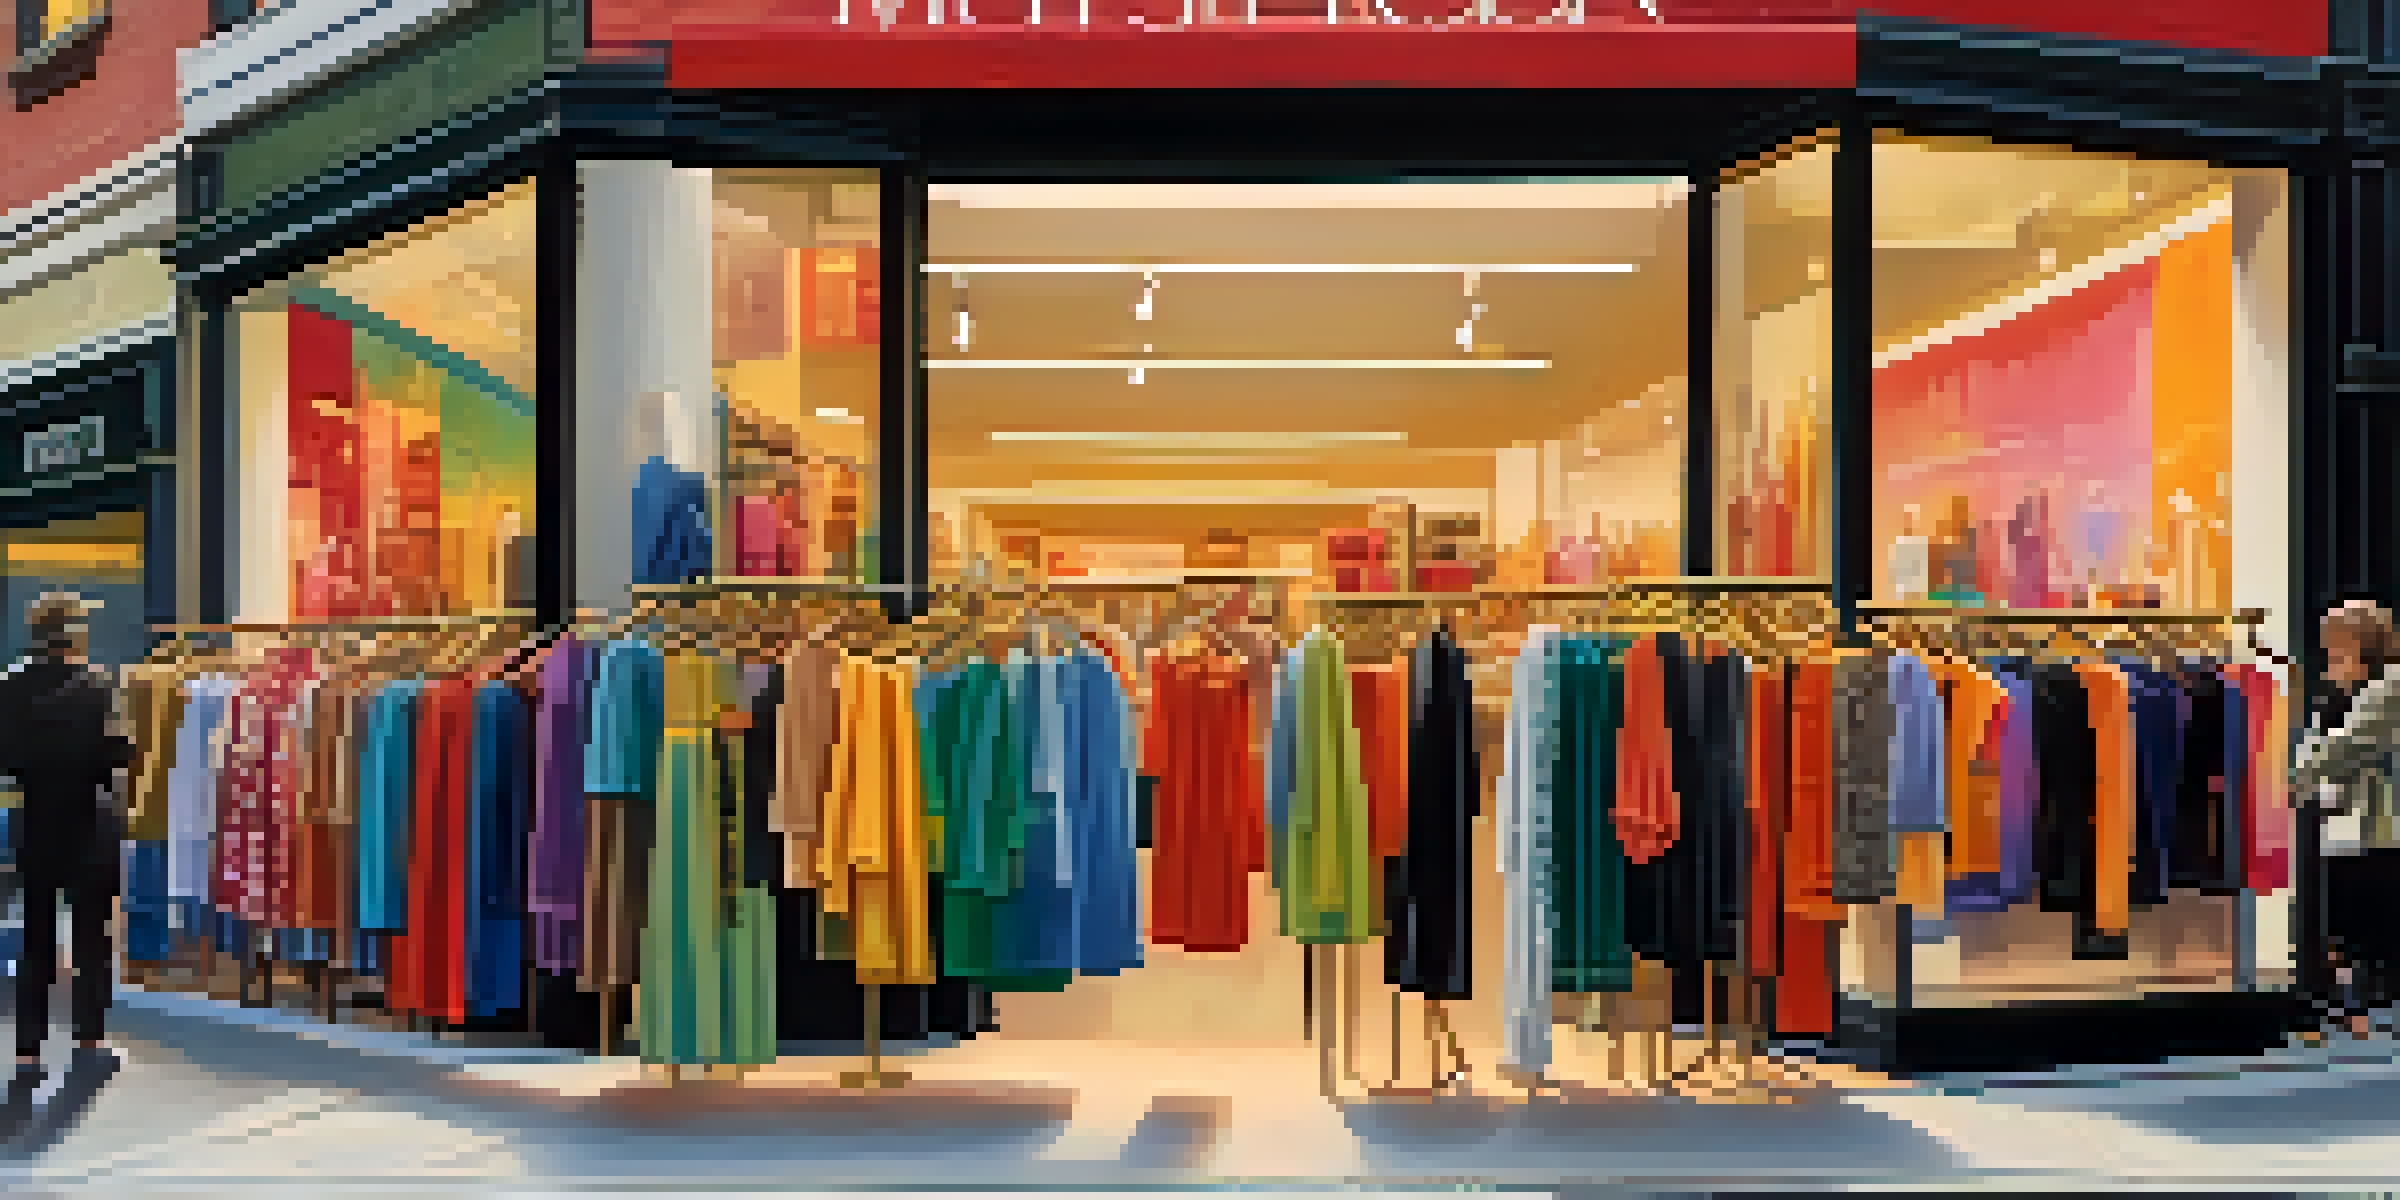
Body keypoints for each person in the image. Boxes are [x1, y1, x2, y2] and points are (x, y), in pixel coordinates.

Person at [0, 594, 132, 1076]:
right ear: (75, 634)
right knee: (91, 937)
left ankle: (27, 1050)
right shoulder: (95, 686)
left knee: (34, 940)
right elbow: (114, 754)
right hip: (87, 822)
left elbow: (6, 757)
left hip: (35, 821)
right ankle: (90, 1039)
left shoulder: (10, 686)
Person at [2293, 599, 2400, 1039]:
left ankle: (2368, 1010)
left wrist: (2287, 775)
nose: (2328, 653)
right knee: (2349, 928)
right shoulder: (2351, 689)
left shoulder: (2389, 686)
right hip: (2349, 831)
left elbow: (2343, 750)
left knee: (2369, 927)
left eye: (2335, 643)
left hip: (2378, 833)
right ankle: (2355, 1009)